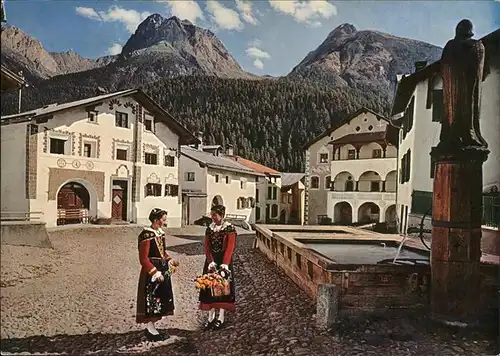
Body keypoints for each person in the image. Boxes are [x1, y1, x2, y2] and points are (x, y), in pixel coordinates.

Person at [136, 208, 179, 341]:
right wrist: (154, 272)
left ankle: (152, 327)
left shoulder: (160, 234)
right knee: (152, 300)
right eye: (163, 219)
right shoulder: (146, 235)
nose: (164, 221)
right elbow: (143, 259)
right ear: (156, 220)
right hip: (152, 272)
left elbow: (162, 253)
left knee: (160, 299)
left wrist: (170, 260)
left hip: (162, 268)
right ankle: (150, 329)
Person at [199, 204, 237, 330]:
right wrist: (210, 261)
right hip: (212, 262)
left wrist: (225, 264)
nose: (213, 217)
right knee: (210, 288)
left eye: (215, 215)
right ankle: (210, 318)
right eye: (212, 215)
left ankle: (220, 317)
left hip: (223, 262)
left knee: (222, 290)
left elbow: (230, 248)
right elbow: (206, 246)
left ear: (222, 215)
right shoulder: (209, 229)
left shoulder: (229, 229)